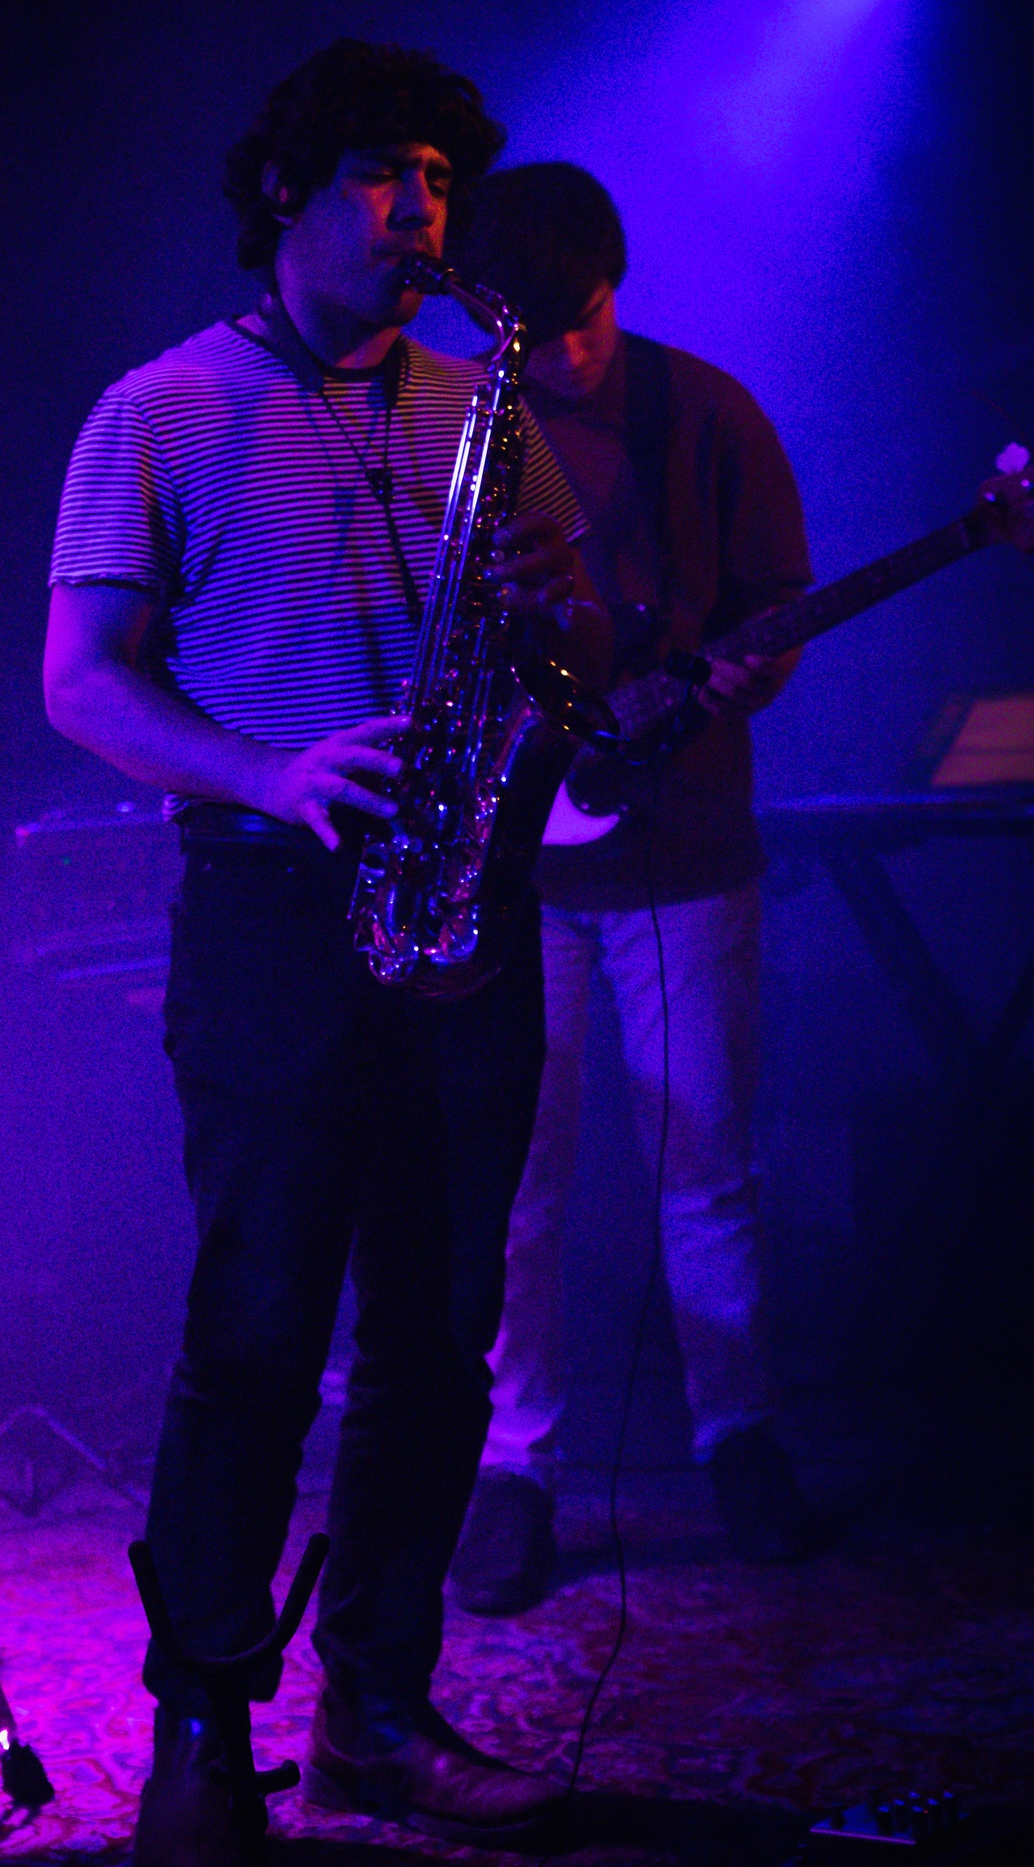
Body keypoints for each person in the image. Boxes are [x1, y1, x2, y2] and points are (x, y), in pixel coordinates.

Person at [43, 47, 613, 1862]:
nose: (420, 210)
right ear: (285, 190)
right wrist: (269, 771)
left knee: (440, 1343)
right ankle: (204, 1725)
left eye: (439, 177)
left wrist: (557, 629)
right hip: (276, 902)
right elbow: (81, 682)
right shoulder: (157, 410)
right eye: (382, 173)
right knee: (261, 1326)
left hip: (463, 897)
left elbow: (579, 639)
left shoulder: (478, 405)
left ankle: (375, 1711)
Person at [446, 163, 822, 1617]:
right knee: (512, 1179)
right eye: (531, 334)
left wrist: (742, 676)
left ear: (619, 281)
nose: (563, 356)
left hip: (679, 843)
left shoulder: (706, 412)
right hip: (506, 860)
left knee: (705, 1162)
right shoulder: (456, 424)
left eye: (584, 322)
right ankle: (514, 1464)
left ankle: (739, 1436)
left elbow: (777, 604)